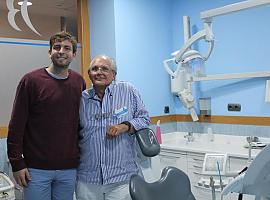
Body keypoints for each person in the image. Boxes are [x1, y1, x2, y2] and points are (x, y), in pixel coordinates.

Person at [7, 31, 86, 200]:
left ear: (74, 54)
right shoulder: (31, 81)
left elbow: (80, 124)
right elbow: (16, 125)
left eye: (67, 48)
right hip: (36, 169)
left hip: (69, 169)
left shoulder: (79, 82)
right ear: (50, 52)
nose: (61, 51)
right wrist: (17, 163)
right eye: (56, 47)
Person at [76, 55, 150, 200]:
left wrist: (125, 126)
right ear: (89, 74)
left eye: (105, 68)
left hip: (122, 178)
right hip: (88, 179)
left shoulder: (127, 90)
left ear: (114, 74)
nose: (99, 72)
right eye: (94, 69)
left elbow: (144, 118)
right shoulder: (81, 99)